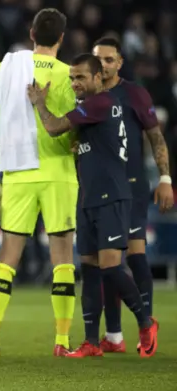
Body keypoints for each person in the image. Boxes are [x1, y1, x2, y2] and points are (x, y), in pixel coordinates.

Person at [27, 53, 159, 358]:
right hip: (88, 198)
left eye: (81, 77)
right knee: (89, 269)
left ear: (99, 77)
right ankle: (90, 342)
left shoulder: (102, 102)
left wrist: (40, 102)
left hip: (111, 197)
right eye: (72, 78)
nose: (75, 83)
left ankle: (145, 322)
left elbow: (54, 127)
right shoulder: (92, 110)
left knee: (112, 268)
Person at [0, 8, 78, 357]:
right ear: (62, 38)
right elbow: (77, 126)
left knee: (7, 257)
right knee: (62, 257)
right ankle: (62, 342)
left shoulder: (6, 69)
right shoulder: (69, 74)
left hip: (18, 173)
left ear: (32, 33)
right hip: (59, 173)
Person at [92, 37, 174, 352]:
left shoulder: (134, 94)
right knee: (106, 263)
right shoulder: (87, 95)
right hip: (99, 189)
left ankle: (147, 326)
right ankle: (114, 337)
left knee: (135, 257)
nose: (104, 65)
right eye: (99, 59)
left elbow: (156, 137)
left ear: (120, 62)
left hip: (131, 185)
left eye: (109, 60)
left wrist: (165, 178)